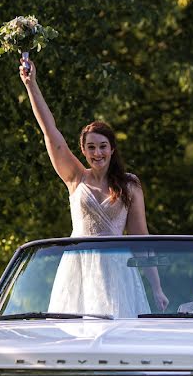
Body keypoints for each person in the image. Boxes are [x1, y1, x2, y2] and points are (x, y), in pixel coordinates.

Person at [19, 56, 169, 316]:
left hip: (117, 268)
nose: (97, 153)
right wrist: (31, 84)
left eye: (102, 147)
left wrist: (156, 287)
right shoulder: (75, 178)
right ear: (83, 150)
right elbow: (49, 131)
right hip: (78, 266)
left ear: (112, 149)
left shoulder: (129, 184)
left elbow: (140, 238)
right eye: (91, 147)